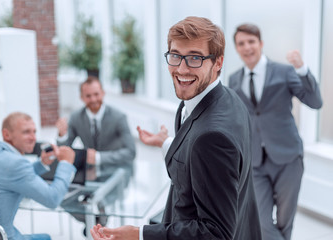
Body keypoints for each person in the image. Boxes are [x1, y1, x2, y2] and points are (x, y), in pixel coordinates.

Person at [90, 16, 261, 240]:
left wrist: (138, 234)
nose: (181, 69)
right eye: (175, 56)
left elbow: (215, 233)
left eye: (194, 58)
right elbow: (204, 163)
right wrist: (167, 143)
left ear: (218, 63)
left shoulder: (212, 137)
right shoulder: (226, 99)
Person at [228, 23, 323, 240]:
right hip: (255, 162)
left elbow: (315, 102)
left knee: (284, 222)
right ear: (236, 48)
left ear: (260, 44)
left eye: (251, 42)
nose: (247, 47)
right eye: (241, 43)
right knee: (260, 221)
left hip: (288, 157)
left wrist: (302, 69)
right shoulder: (234, 79)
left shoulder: (284, 71)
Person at [56, 76, 136, 230]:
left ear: (103, 93)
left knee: (99, 200)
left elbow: (130, 152)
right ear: (81, 97)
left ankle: (96, 221)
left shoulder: (119, 117)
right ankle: (96, 222)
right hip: (89, 171)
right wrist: (62, 135)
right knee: (61, 197)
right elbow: (65, 150)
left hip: (116, 169)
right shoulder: (75, 117)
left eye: (96, 94)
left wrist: (99, 157)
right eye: (88, 96)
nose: (93, 99)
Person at [0, 112, 76, 240]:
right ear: (6, 134)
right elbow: (53, 199)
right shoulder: (17, 163)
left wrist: (41, 164)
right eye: (26, 132)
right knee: (46, 237)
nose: (33, 138)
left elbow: (11, 177)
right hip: (5, 236)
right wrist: (66, 163)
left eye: (34, 132)